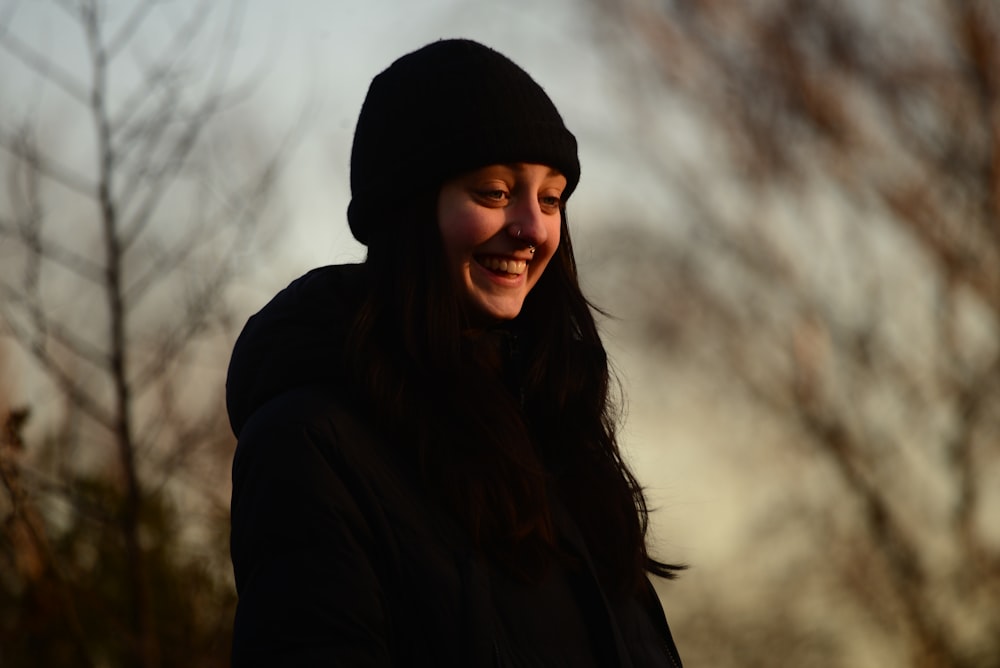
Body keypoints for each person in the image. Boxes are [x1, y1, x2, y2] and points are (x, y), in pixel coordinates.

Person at [227, 38, 684, 667]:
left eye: (551, 199)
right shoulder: (310, 444)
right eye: (495, 193)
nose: (531, 229)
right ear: (408, 212)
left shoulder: (558, 432)